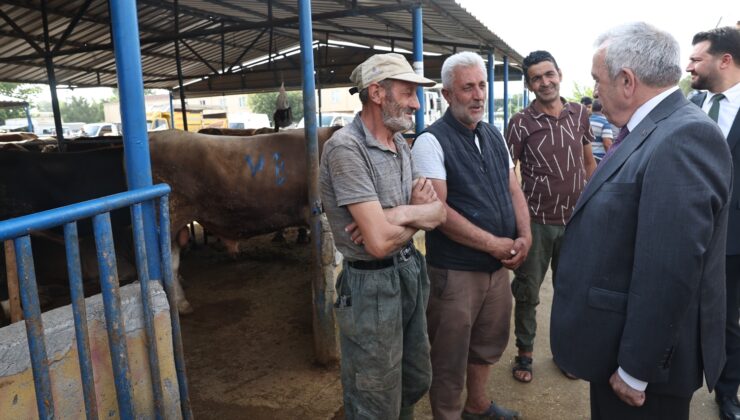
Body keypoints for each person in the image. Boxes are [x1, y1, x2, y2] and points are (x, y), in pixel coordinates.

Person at [550, 22, 732, 420]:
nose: (594, 91)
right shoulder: (653, 128)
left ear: (627, 81)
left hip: (645, 368)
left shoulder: (682, 138)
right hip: (619, 344)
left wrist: (636, 370)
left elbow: (670, 268)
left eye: (598, 81)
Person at [319, 53, 446, 420]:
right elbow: (375, 243)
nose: (416, 104)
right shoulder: (346, 148)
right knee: (374, 397)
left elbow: (438, 212)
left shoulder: (401, 145)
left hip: (408, 272)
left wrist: (394, 215)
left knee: (412, 379)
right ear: (377, 92)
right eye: (408, 92)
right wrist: (414, 214)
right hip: (369, 286)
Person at [412, 51, 530, 420]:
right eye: (467, 88)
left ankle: (477, 406)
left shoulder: (493, 133)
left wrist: (525, 236)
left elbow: (514, 189)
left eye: (482, 85)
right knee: (449, 356)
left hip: (497, 268)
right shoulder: (430, 142)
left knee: (487, 344)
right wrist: (497, 244)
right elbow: (439, 214)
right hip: (457, 272)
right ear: (447, 95)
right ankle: (447, 415)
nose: (478, 95)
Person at [505, 50, 597, 383]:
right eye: (536, 78)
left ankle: (565, 354)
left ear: (559, 73)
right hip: (537, 223)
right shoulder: (520, 123)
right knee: (528, 292)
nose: (544, 82)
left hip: (575, 222)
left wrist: (592, 204)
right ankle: (525, 354)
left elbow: (589, 163)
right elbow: (507, 173)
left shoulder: (578, 114)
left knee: (569, 292)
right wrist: (517, 221)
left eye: (548, 74)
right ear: (530, 85)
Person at [686, 26, 740, 420]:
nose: (688, 65)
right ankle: (676, 381)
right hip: (686, 231)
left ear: (724, 60)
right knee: (679, 309)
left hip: (734, 240)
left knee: (727, 321)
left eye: (696, 58)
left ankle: (726, 393)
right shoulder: (691, 103)